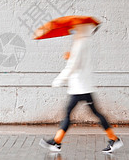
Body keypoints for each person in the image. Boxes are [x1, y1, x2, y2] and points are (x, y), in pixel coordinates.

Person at [39, 23, 123, 154]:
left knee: (69, 113)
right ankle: (113, 139)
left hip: (79, 87)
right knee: (94, 113)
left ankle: (56, 142)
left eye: (74, 29)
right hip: (83, 86)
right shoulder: (83, 42)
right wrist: (70, 57)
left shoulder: (79, 44)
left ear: (79, 30)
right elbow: (79, 62)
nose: (72, 31)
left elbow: (73, 66)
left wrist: (59, 79)